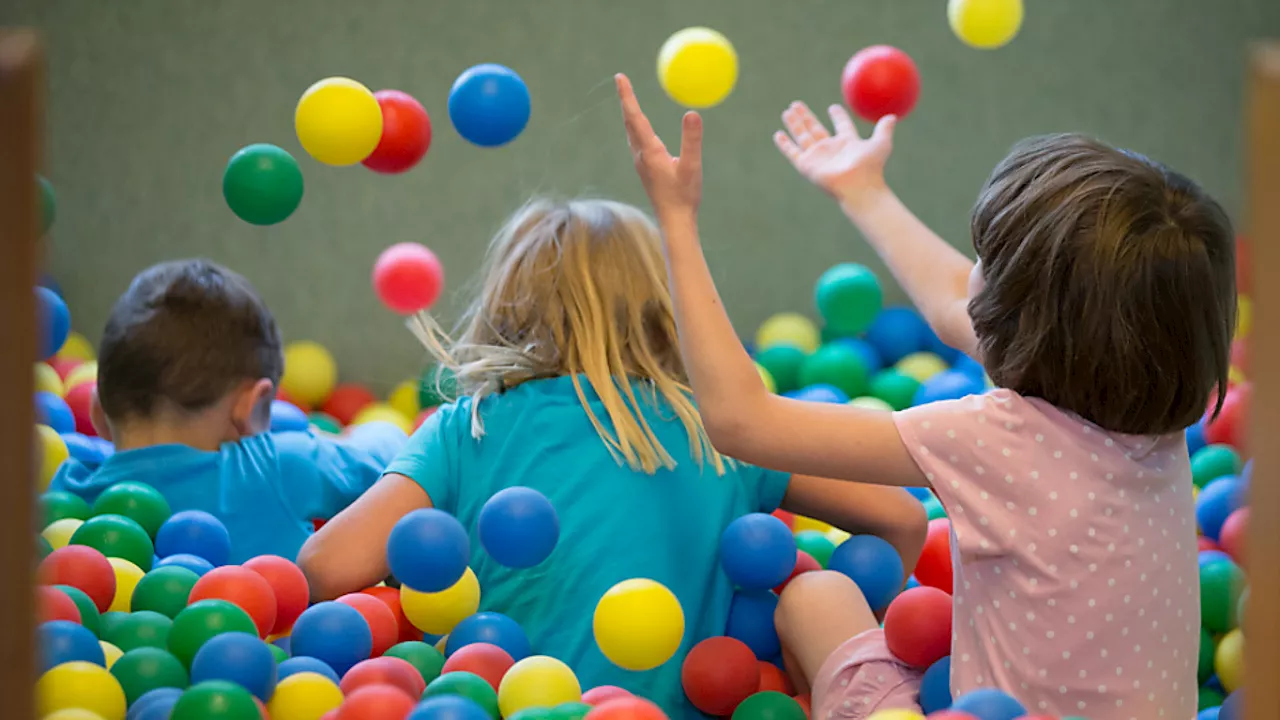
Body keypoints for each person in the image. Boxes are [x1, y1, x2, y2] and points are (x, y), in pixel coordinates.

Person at [614, 73, 1234, 720]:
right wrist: (862, 190)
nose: (971, 277)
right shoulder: (1157, 402)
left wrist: (676, 221)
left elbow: (741, 422)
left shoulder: (995, 438)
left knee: (815, 597)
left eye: (983, 261)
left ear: (1022, 318)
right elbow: (953, 305)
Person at [297, 198, 926, 719]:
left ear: (507, 307)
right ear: (667, 306)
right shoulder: (719, 426)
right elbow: (901, 518)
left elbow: (325, 568)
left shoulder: (470, 428)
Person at [50, 259, 405, 563]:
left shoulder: (67, 493)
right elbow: (395, 458)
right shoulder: (282, 465)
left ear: (98, 413)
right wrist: (347, 436)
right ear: (254, 408)